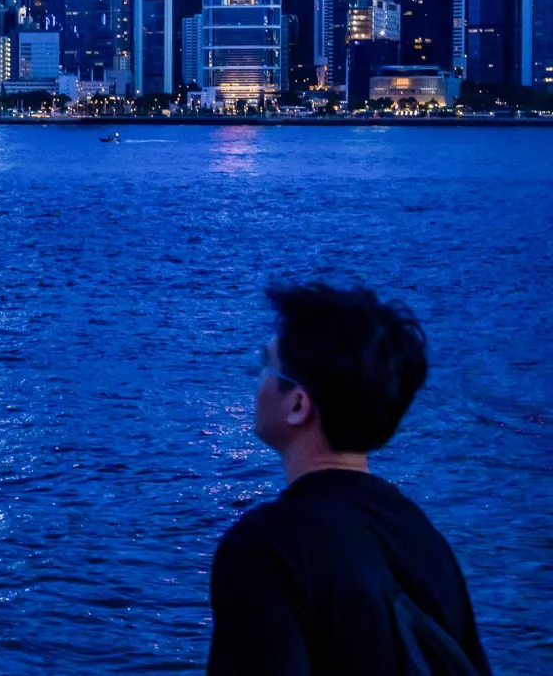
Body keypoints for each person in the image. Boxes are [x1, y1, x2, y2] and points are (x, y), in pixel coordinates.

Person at [208, 282, 489, 674]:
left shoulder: (265, 549)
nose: (258, 383)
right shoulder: (428, 544)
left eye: (265, 366)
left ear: (298, 404)